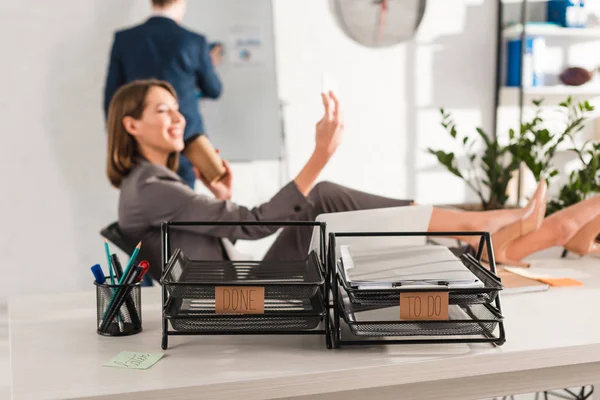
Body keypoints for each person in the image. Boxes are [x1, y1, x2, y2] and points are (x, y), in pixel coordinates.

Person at [106, 79, 597, 281]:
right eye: (162, 110)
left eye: (176, 108)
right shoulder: (151, 186)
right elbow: (255, 226)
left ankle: (490, 239)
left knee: (351, 236)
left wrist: (220, 198)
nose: (177, 118)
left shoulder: (148, 184)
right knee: (323, 197)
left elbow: (227, 227)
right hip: (241, 302)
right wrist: (319, 156)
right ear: (131, 125)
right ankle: (485, 230)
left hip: (233, 294)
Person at [103, 0, 222, 189]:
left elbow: (112, 99)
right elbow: (214, 90)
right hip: (184, 142)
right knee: (184, 207)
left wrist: (120, 144)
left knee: (145, 205)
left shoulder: (125, 39)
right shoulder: (194, 42)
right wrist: (209, 64)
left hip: (141, 143)